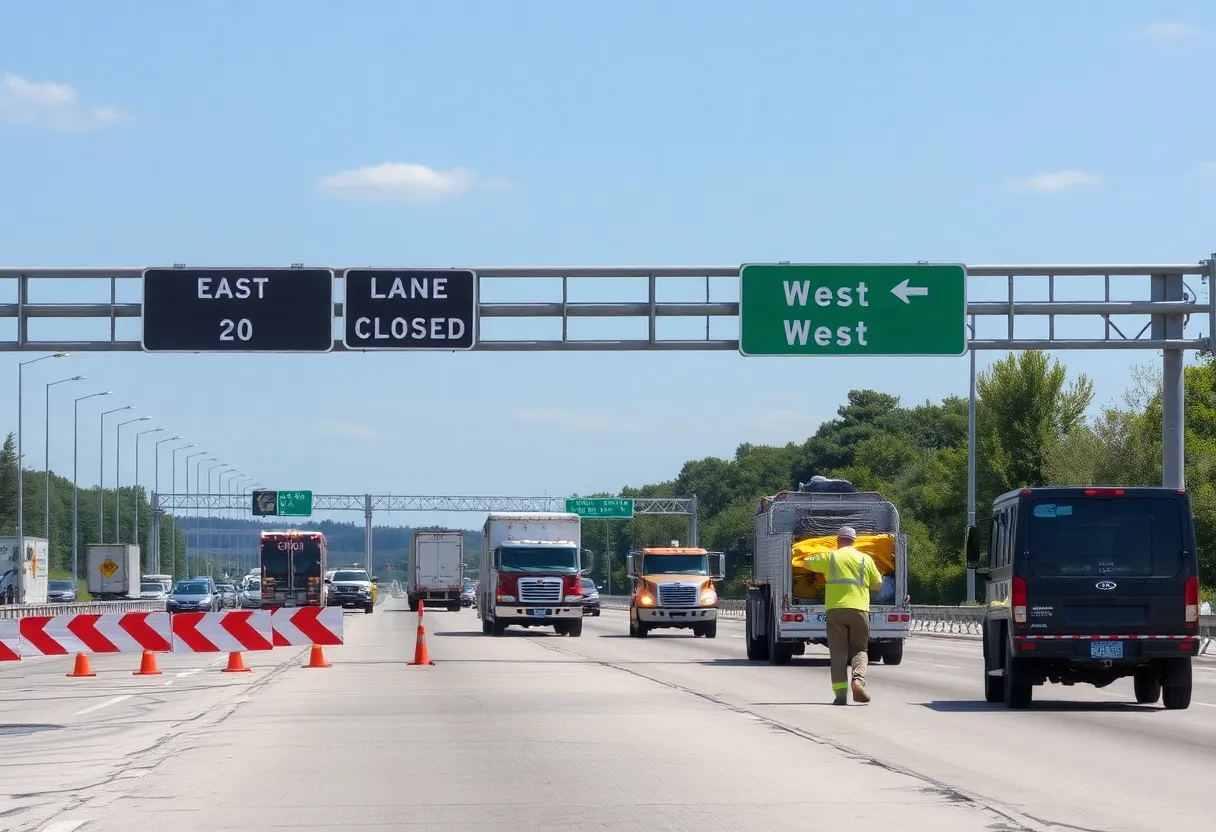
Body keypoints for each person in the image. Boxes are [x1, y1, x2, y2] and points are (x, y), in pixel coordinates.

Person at [802, 525, 884, 705]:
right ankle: (858, 681)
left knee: (838, 653)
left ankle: (840, 695)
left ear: (838, 540)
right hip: (859, 609)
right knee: (860, 649)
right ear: (855, 541)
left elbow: (806, 562)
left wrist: (821, 550)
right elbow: (877, 584)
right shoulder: (865, 559)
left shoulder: (830, 557)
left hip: (835, 610)